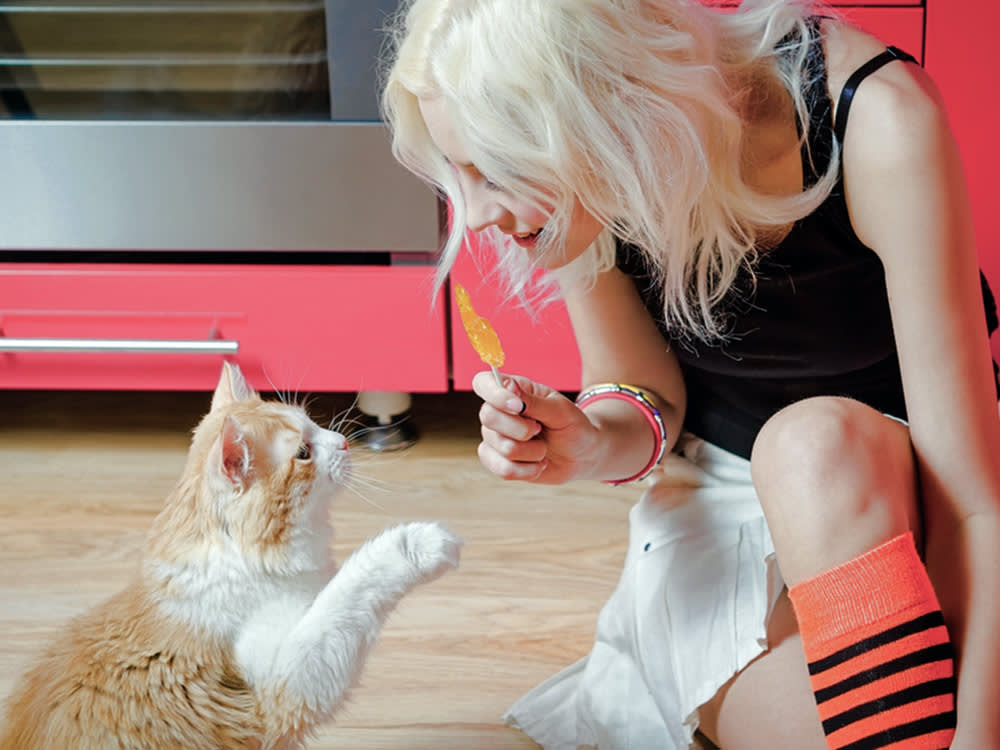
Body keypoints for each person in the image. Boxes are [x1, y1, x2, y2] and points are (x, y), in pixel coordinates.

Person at [381, 1, 1000, 748]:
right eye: (460, 172)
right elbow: (647, 395)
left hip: (909, 491)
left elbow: (973, 504)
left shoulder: (875, 120)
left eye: (497, 169)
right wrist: (590, 440)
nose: (475, 215)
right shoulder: (588, 190)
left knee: (809, 447)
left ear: (606, 111)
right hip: (729, 518)